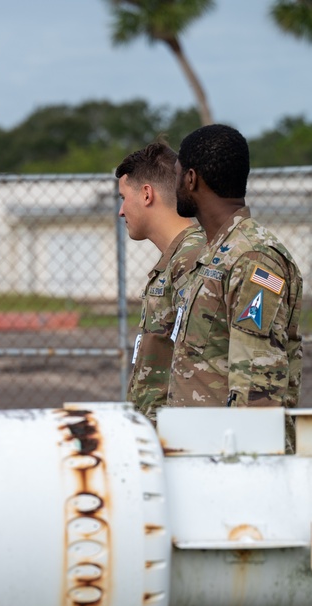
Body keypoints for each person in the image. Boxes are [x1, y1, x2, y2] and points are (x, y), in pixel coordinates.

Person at [168, 124, 303, 448]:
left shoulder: (252, 259)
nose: (174, 185)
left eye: (177, 175)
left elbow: (258, 385)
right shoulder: (216, 254)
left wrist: (243, 477)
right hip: (200, 455)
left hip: (231, 462)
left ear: (191, 178)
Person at [115, 141, 206, 425]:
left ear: (146, 194)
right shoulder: (178, 258)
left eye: (123, 198)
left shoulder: (193, 259)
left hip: (181, 436)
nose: (120, 211)